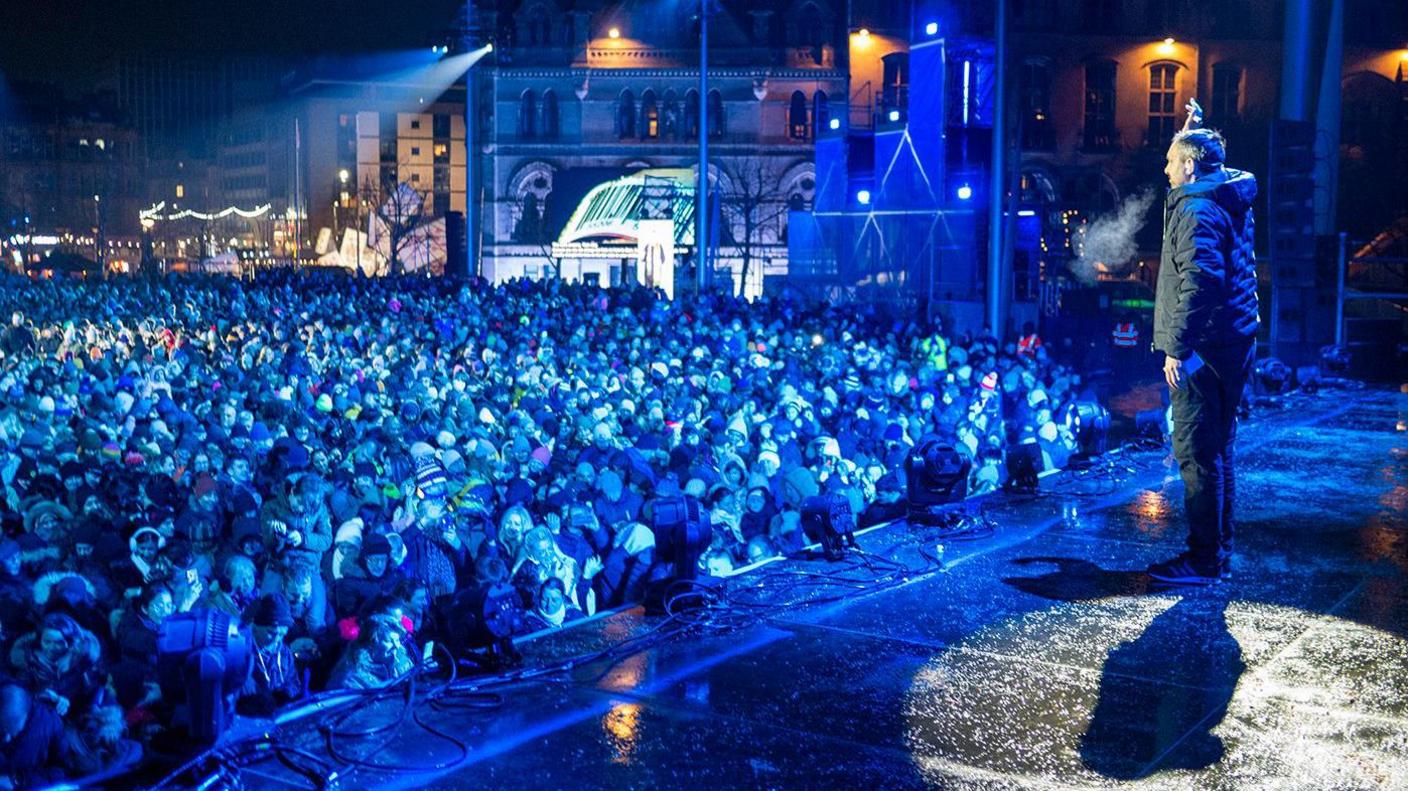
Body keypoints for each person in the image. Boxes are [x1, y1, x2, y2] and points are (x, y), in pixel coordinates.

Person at [1149, 124, 1259, 584]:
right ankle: (1218, 550)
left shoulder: (1196, 208)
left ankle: (1202, 559)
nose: (1168, 168)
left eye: (1174, 160)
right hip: (1233, 340)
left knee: (1196, 452)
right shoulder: (1226, 194)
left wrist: (1178, 346)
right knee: (1220, 449)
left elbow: (1201, 283)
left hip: (1206, 348)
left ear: (1191, 165)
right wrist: (1193, 128)